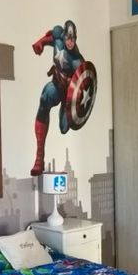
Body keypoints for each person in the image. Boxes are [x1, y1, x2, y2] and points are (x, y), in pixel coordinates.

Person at [30, 20, 82, 176]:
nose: (70, 42)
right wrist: (40, 43)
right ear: (64, 36)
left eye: (73, 39)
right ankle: (39, 156)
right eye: (68, 38)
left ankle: (64, 113)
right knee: (45, 98)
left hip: (68, 97)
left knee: (63, 128)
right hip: (56, 86)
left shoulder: (77, 61)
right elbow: (50, 37)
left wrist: (75, 103)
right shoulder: (58, 38)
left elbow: (84, 84)